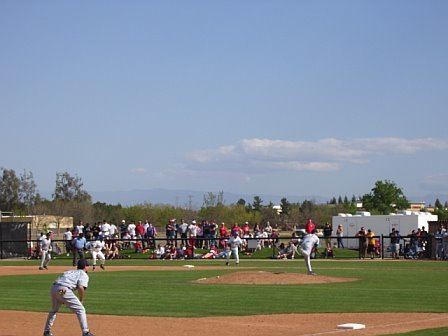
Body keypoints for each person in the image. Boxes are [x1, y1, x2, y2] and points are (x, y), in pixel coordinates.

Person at [42, 259, 94, 336]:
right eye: (87, 266)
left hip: (54, 288)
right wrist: (81, 300)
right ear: (85, 267)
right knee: (81, 309)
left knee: (54, 310)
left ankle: (47, 331)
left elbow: (62, 281)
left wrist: (62, 297)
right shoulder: (83, 274)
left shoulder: (70, 271)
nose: (88, 267)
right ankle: (85, 332)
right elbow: (80, 287)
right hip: (64, 289)